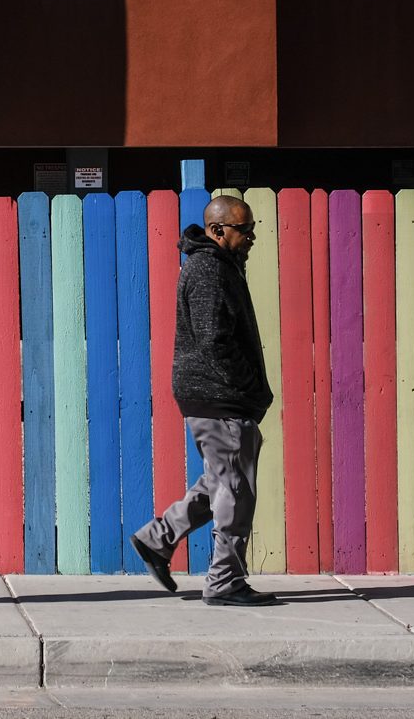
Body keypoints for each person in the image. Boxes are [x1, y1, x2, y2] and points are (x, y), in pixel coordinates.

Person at [131, 194, 279, 606]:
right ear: (217, 231)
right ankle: (225, 581)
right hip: (221, 395)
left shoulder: (218, 265)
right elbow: (214, 341)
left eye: (252, 229)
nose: (251, 238)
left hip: (216, 394)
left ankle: (157, 540)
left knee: (220, 479)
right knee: (235, 490)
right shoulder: (210, 270)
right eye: (243, 230)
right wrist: (248, 387)